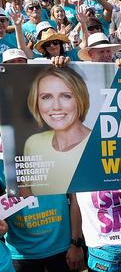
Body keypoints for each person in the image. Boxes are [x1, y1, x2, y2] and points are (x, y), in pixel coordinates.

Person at [24, 66, 91, 195]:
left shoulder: (99, 144)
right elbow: (26, 191)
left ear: (80, 98)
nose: (56, 107)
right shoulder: (33, 143)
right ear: (36, 102)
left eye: (66, 96)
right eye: (46, 97)